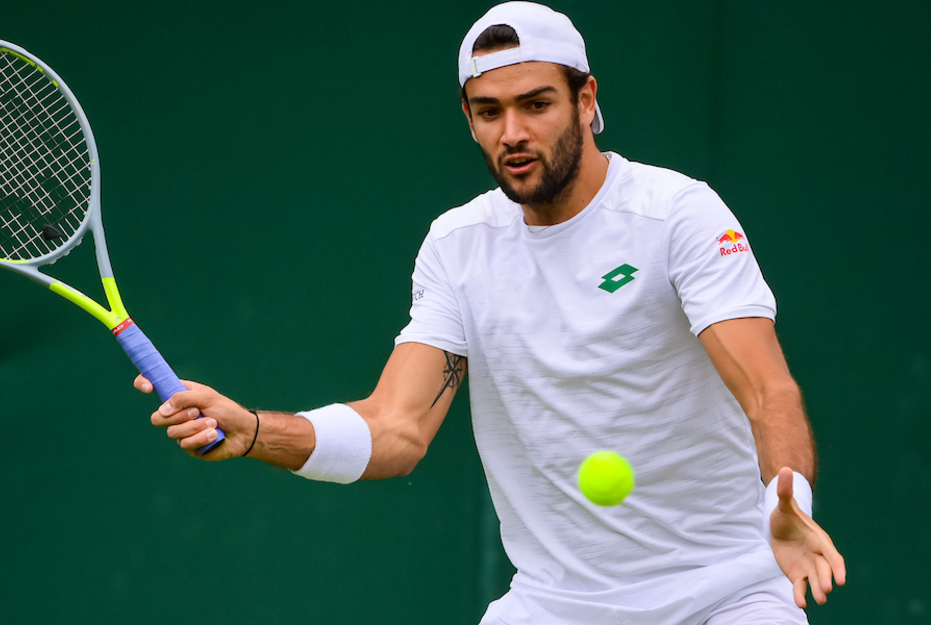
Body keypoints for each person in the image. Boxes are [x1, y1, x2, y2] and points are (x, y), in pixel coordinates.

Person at [136, 2, 845, 623]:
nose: (512, 132)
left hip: (725, 594)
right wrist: (257, 429)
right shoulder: (458, 247)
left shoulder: (676, 216)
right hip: (555, 604)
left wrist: (791, 500)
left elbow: (766, 388)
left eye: (536, 104)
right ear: (469, 119)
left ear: (586, 99)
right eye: (489, 111)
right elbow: (396, 427)